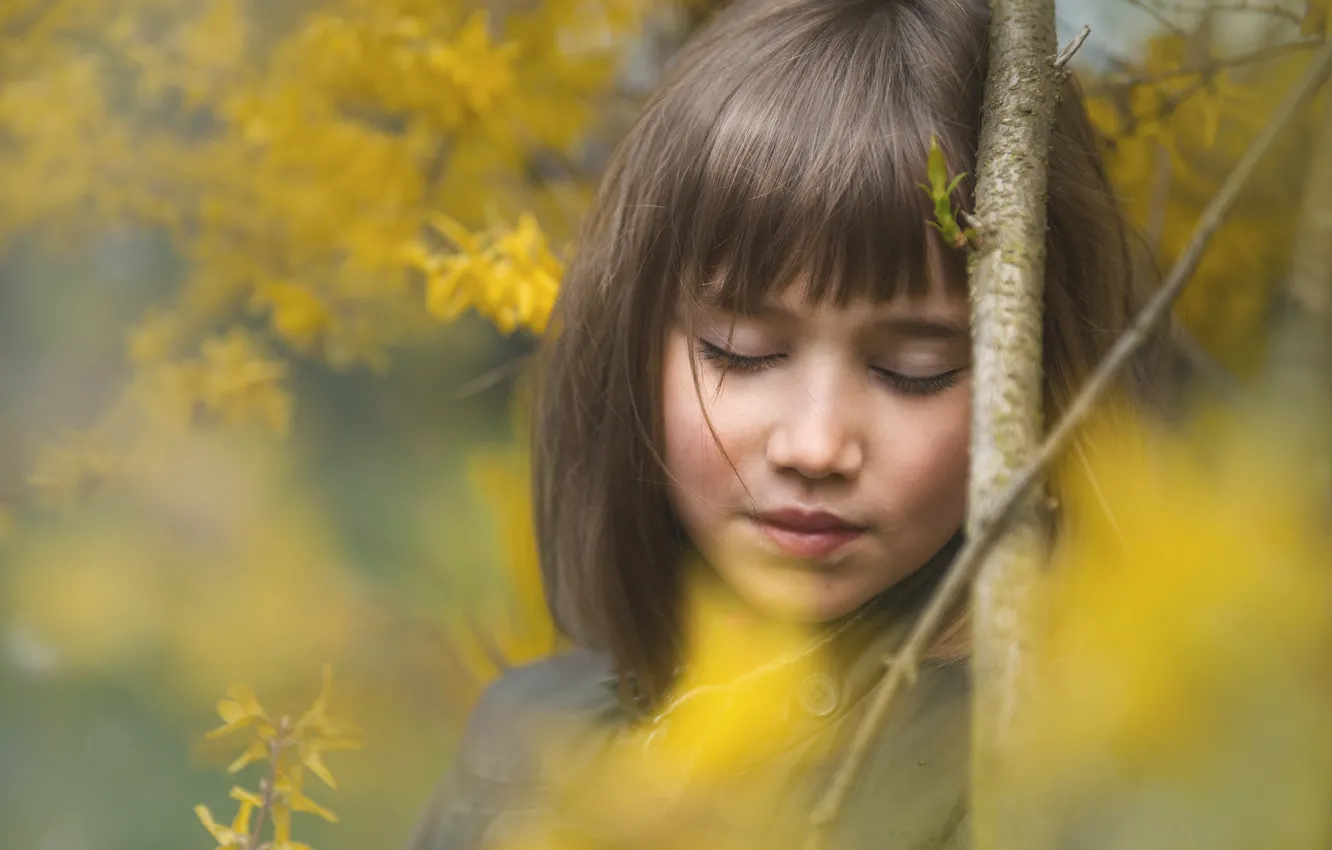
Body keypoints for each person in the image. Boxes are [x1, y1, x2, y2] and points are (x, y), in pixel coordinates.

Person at [410, 0, 1172, 847]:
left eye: (913, 369)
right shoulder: (519, 743)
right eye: (741, 353)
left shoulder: (1073, 770)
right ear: (632, 347)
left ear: (1043, 380)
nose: (816, 447)